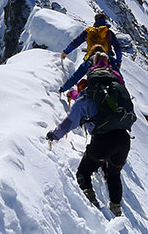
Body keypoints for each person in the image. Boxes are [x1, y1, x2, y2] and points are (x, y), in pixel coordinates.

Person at [46, 55, 136, 217]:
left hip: (103, 140)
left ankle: (93, 209)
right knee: (114, 174)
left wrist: (54, 135)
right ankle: (116, 209)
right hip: (124, 139)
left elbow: (69, 123)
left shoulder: (88, 97)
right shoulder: (117, 91)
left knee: (84, 173)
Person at [60, 12, 123, 93]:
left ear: (95, 20)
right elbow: (118, 48)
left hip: (91, 58)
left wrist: (65, 52)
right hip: (107, 58)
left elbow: (76, 42)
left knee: (77, 75)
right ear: (105, 20)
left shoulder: (89, 31)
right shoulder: (109, 33)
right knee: (119, 77)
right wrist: (118, 61)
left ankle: (63, 89)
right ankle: (124, 96)